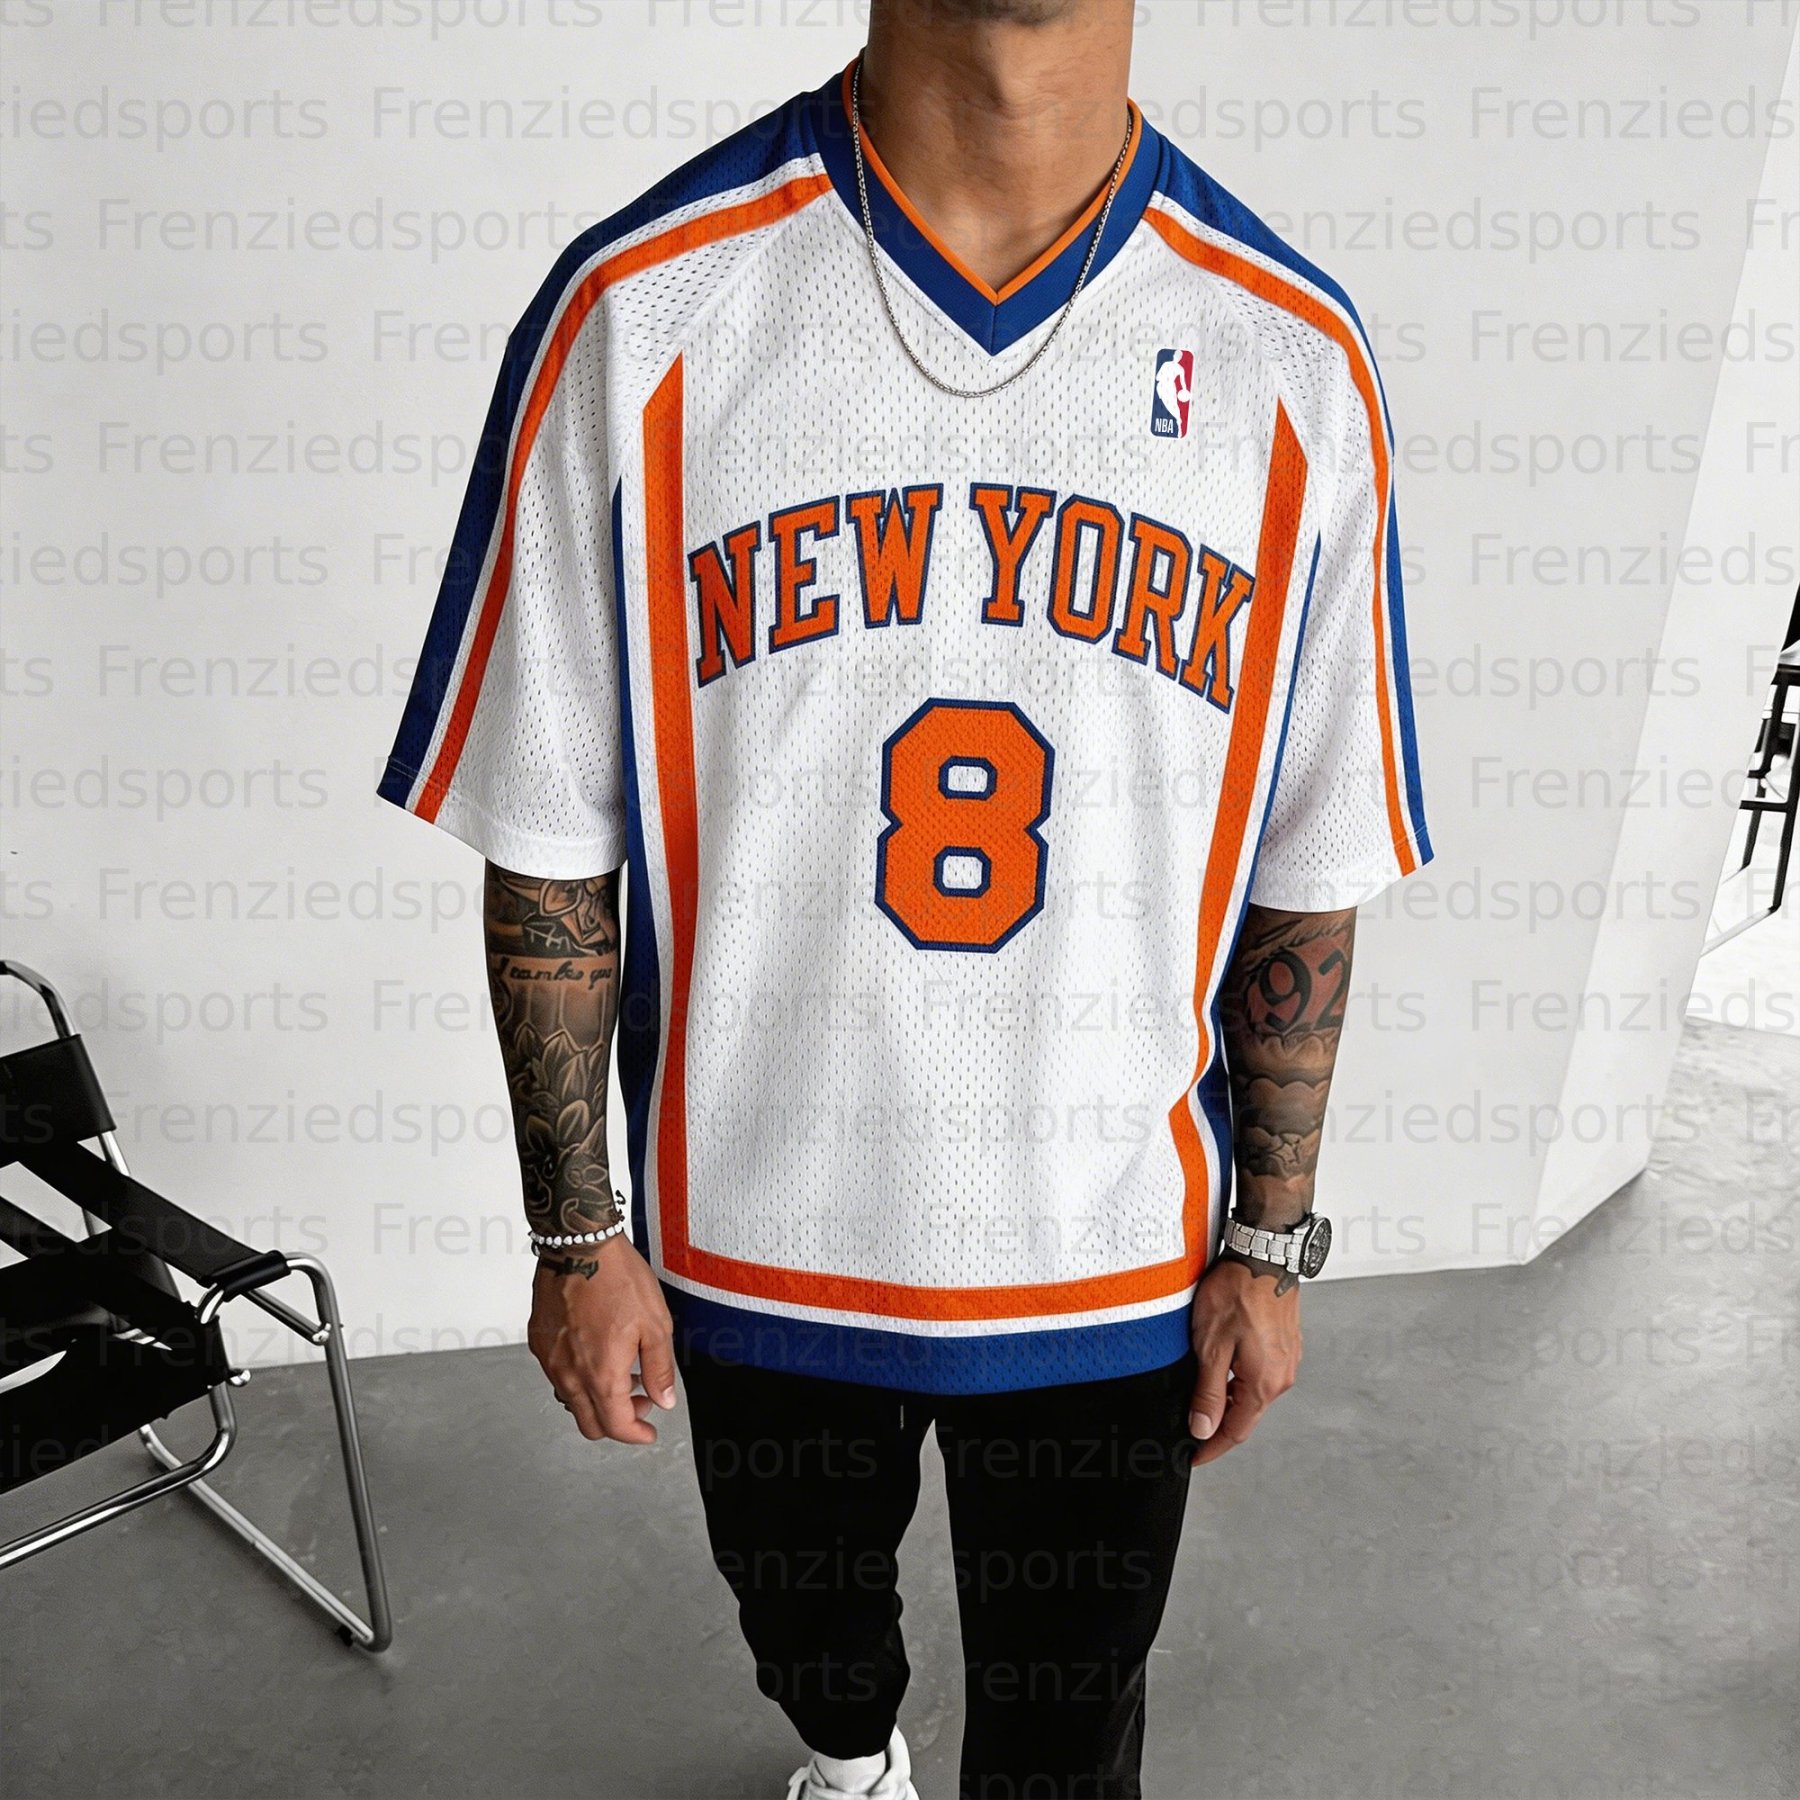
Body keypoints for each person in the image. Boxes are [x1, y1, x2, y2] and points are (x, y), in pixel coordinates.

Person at [378, 2, 1433, 1794]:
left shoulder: (1290, 354)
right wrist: (577, 1234)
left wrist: (1269, 1243)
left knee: (1068, 1731)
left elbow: (1306, 875)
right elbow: (548, 841)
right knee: (813, 1649)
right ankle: (851, 1755)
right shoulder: (642, 305)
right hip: (758, 1230)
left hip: (1111, 1257)